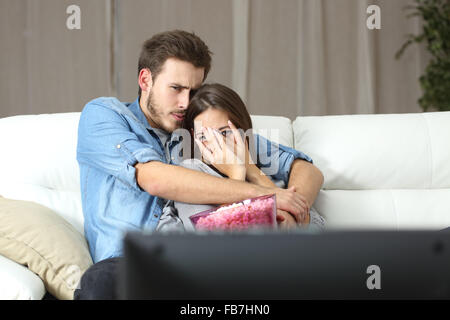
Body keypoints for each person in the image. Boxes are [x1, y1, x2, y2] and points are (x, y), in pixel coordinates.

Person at [74, 30, 324, 299]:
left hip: (196, 262)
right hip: (128, 264)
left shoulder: (205, 129)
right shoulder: (106, 115)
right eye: (176, 88)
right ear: (145, 79)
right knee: (100, 282)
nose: (185, 102)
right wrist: (268, 195)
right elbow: (154, 178)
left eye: (193, 91)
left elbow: (304, 169)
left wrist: (291, 212)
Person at [156, 83, 326, 233]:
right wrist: (236, 174)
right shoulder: (190, 171)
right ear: (193, 137)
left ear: (242, 131)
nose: (217, 143)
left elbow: (312, 221)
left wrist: (250, 169)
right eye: (204, 136)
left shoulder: (261, 160)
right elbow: (219, 235)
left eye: (224, 132)